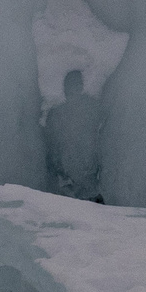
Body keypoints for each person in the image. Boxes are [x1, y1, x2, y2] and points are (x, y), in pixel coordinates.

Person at [43, 67, 103, 199]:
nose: (72, 89)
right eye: (70, 85)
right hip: (66, 179)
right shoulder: (56, 114)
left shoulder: (93, 109)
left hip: (87, 178)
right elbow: (50, 146)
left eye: (76, 84)